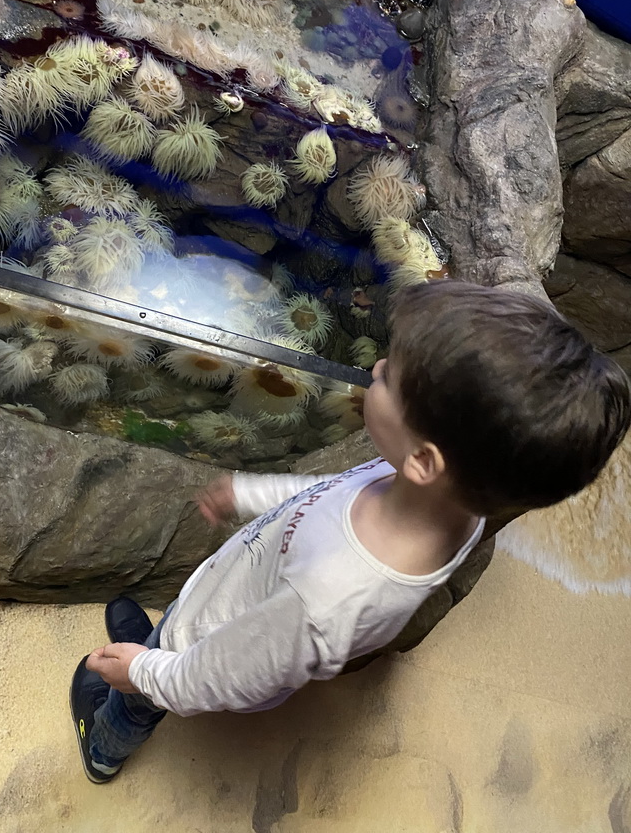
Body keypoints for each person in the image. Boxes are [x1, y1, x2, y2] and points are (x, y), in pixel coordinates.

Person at [70, 280, 631, 783]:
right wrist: (250, 493)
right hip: (236, 596)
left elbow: (219, 678)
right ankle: (155, 644)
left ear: (424, 460)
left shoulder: (326, 600)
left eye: (392, 379)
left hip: (203, 644)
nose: (379, 366)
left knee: (136, 693)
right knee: (170, 632)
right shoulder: (451, 501)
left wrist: (147, 670)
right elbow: (328, 496)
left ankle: (106, 741)